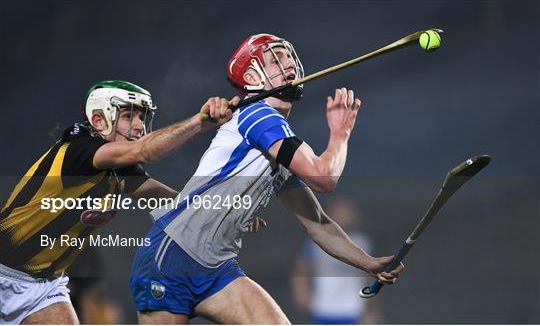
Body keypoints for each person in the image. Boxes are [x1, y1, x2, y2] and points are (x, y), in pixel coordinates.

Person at [130, 34, 404, 324]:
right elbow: (324, 178)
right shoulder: (258, 115)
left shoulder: (277, 139)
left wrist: (369, 263)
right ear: (251, 76)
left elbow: (318, 223)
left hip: (216, 267)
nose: (288, 62)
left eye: (287, 55)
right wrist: (340, 135)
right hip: (172, 256)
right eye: (275, 58)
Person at [0, 80, 239, 324]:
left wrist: (218, 210)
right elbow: (146, 152)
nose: (138, 126)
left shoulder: (119, 169)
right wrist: (198, 123)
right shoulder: (79, 151)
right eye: (128, 116)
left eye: (142, 117)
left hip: (44, 285)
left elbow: (171, 200)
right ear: (99, 120)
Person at [292, 197, 382, 324]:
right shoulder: (317, 242)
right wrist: (302, 295)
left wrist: (371, 309)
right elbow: (302, 270)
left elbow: (369, 278)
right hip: (323, 308)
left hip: (352, 309)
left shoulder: (362, 243)